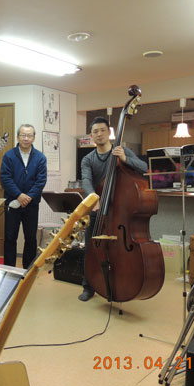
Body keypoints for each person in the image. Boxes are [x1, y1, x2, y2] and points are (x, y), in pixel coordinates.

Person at [78, 117, 148, 301]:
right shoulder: (88, 159)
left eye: (103, 130)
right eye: (95, 131)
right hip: (98, 209)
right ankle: (88, 287)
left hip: (120, 211)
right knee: (90, 249)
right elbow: (86, 180)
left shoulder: (121, 151)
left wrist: (125, 159)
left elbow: (145, 168)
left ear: (109, 132)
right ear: (91, 135)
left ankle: (123, 282)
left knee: (120, 250)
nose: (99, 134)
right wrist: (93, 198)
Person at [0, 124, 47, 269]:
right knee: (10, 238)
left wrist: (28, 197)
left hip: (31, 205)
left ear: (34, 138)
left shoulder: (40, 157)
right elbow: (5, 179)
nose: (26, 138)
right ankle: (8, 270)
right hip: (12, 203)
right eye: (23, 135)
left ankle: (28, 271)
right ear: (17, 137)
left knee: (31, 238)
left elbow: (41, 181)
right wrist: (19, 195)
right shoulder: (9, 156)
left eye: (29, 135)